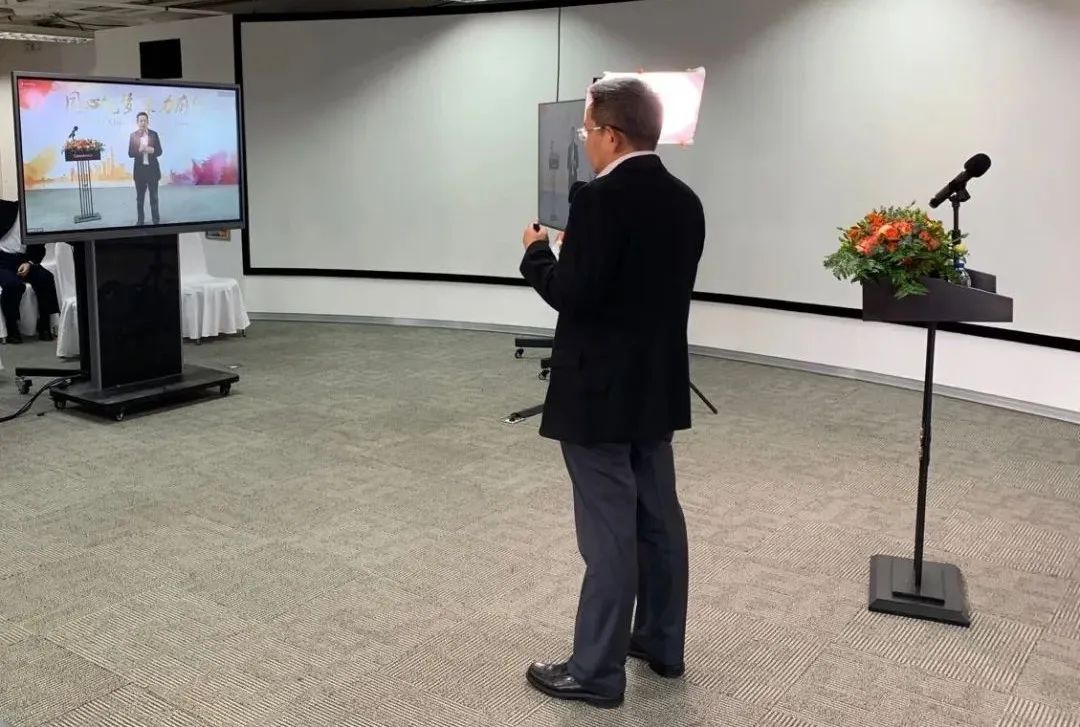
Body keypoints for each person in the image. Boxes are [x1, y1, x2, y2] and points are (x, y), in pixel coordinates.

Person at [518, 77, 705, 709]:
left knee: (608, 533)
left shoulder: (600, 201)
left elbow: (575, 294)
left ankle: (595, 671)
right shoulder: (685, 200)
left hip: (598, 392)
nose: (585, 140)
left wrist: (537, 255)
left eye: (588, 129)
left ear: (612, 134)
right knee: (658, 518)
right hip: (655, 386)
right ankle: (659, 641)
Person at [0, 199, 58, 344]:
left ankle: (44, 325)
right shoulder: (6, 208)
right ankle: (12, 327)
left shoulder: (38, 217)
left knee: (46, 278)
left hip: (25, 260)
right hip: (3, 260)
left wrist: (29, 263)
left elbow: (40, 248)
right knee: (13, 284)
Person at [128, 111, 163, 225]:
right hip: (140, 172)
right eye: (140, 121)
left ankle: (156, 220)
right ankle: (140, 220)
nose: (143, 123)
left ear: (148, 122)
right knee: (140, 198)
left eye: (145, 120)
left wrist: (151, 150)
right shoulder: (133, 136)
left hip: (152, 171)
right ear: (137, 122)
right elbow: (130, 153)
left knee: (154, 197)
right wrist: (139, 150)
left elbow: (159, 151)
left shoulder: (154, 134)